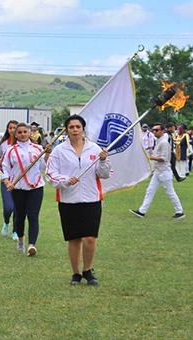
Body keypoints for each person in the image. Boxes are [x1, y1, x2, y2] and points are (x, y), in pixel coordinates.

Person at [46, 115, 112, 286]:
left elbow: (104, 174)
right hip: (68, 200)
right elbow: (50, 175)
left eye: (78, 127)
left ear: (83, 129)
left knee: (90, 238)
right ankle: (76, 273)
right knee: (74, 239)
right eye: (71, 127)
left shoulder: (95, 149)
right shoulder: (59, 151)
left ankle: (88, 270)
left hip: (92, 199)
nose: (75, 130)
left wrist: (103, 160)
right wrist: (66, 179)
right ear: (66, 130)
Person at [1, 123, 46, 256]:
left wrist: (47, 154)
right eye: (19, 132)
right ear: (15, 134)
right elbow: (4, 167)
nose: (22, 134)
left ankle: (32, 245)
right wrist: (7, 181)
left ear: (29, 133)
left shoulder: (38, 149)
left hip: (36, 187)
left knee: (33, 216)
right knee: (20, 216)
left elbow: (44, 166)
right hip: (18, 188)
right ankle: (21, 239)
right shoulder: (10, 150)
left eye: (25, 132)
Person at [129, 123, 185, 220]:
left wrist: (150, 157)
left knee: (170, 192)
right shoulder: (159, 141)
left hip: (164, 172)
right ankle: (142, 211)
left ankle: (179, 211)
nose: (154, 131)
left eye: (157, 130)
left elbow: (164, 158)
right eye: (153, 130)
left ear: (162, 131)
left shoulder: (164, 143)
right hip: (158, 172)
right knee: (150, 191)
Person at [0, 120, 18, 240]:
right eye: (10, 128)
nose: (12, 130)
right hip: (6, 181)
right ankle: (6, 222)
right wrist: (0, 167)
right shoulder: (3, 145)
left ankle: (15, 231)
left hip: (19, 181)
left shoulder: (22, 145)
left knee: (17, 207)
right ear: (7, 130)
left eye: (15, 128)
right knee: (9, 207)